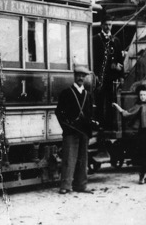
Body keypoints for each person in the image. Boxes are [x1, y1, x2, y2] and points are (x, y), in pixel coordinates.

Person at [112, 80, 146, 184]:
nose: (142, 96)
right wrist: (117, 107)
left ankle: (145, 176)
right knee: (143, 156)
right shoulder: (138, 105)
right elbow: (127, 113)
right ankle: (145, 176)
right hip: (143, 133)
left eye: (144, 94)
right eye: (140, 95)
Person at [55, 65, 94, 194]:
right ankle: (65, 186)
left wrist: (89, 129)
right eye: (78, 76)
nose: (80, 78)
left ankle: (81, 186)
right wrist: (66, 126)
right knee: (69, 159)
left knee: (83, 160)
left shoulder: (88, 95)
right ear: (74, 76)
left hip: (84, 132)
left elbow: (90, 113)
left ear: (85, 78)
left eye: (83, 76)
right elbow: (58, 112)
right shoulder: (66, 93)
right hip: (71, 131)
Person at [93, 17, 124, 129]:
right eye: (106, 24)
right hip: (99, 76)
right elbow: (94, 59)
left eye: (110, 25)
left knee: (111, 100)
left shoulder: (116, 40)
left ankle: (110, 125)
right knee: (99, 101)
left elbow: (120, 59)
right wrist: (95, 75)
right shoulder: (95, 39)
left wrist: (121, 76)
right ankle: (100, 125)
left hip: (112, 77)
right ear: (102, 25)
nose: (108, 27)